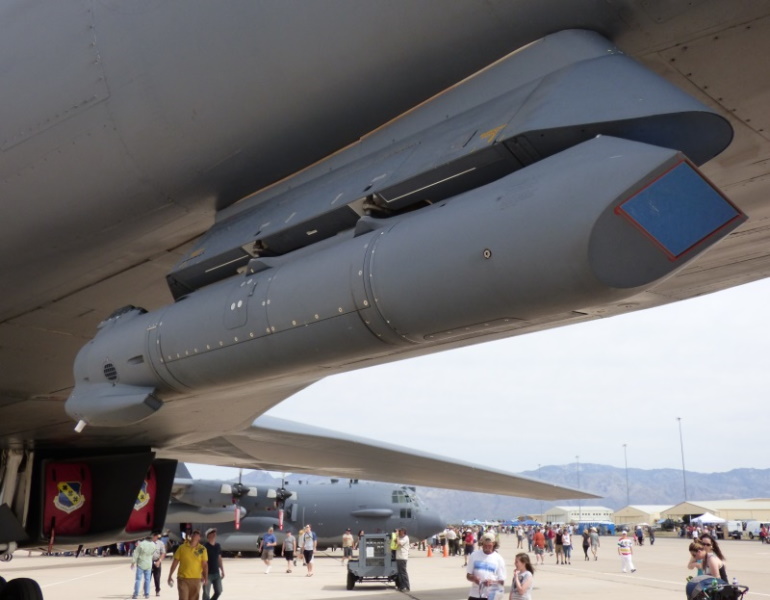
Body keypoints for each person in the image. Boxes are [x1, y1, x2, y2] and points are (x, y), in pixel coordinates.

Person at [168, 529, 208, 600]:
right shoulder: (182, 548)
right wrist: (170, 575)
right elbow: (175, 562)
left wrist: (205, 577)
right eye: (194, 534)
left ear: (199, 538)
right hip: (183, 579)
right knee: (183, 598)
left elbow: (204, 564)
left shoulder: (202, 549)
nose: (195, 536)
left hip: (196, 579)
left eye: (197, 535)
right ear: (191, 536)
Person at [466, 534, 506, 600]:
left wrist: (492, 583)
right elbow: (468, 575)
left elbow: (501, 581)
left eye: (489, 545)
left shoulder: (499, 559)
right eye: (485, 545)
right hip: (474, 595)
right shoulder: (474, 555)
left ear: (494, 544)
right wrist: (474, 578)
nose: (487, 547)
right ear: (482, 544)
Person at [202, 528, 224, 600]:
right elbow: (199, 560)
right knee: (206, 594)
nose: (214, 534)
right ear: (208, 536)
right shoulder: (204, 547)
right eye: (212, 532)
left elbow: (219, 558)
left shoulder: (218, 546)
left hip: (216, 573)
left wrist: (222, 570)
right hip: (207, 574)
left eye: (215, 532)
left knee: (219, 591)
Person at [151, 531, 167, 597]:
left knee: (157, 577)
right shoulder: (148, 543)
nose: (154, 537)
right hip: (149, 561)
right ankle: (146, 590)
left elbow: (163, 553)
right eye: (153, 536)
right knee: (147, 577)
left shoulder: (160, 543)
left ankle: (157, 590)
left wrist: (159, 561)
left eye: (155, 536)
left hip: (157, 561)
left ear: (157, 536)